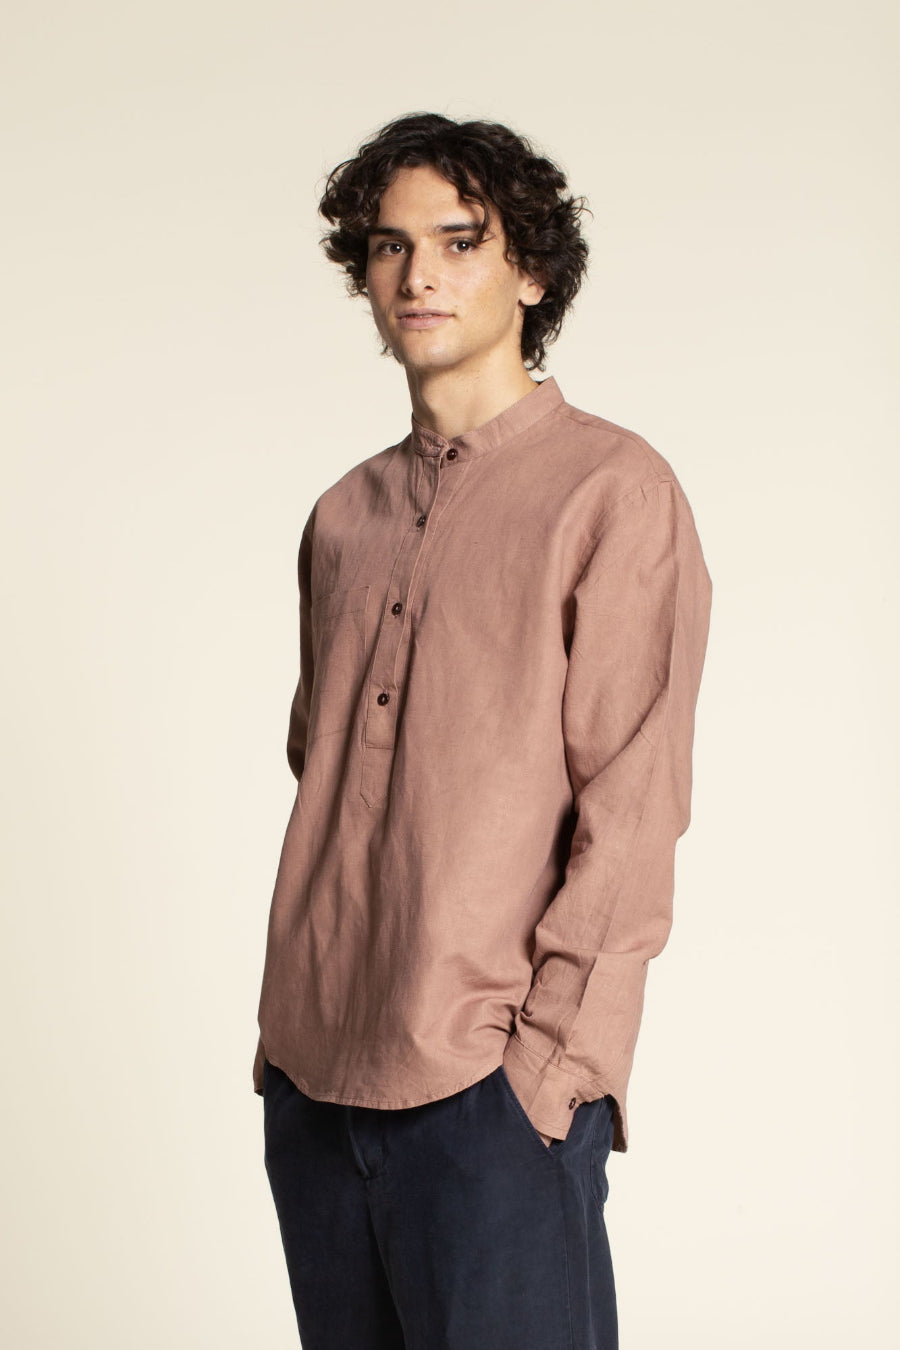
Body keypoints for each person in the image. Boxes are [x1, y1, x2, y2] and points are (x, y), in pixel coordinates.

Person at [252, 111, 713, 1350]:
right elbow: (327, 769)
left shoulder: (612, 492)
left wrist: (549, 1078)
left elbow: (632, 808)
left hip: (491, 1095)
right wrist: (286, 1059)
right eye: (392, 248)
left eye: (461, 242)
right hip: (316, 1080)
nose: (421, 276)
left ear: (531, 270)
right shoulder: (341, 519)